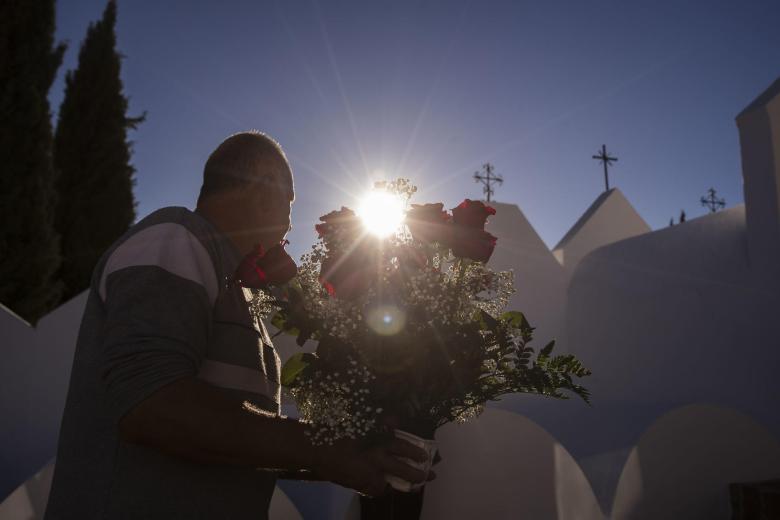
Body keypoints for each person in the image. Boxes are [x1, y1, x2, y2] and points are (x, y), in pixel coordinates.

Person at [44, 131, 431, 519]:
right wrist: (321, 446)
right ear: (264, 188)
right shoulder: (176, 237)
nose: (289, 224)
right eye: (289, 200)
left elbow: (234, 443)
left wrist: (352, 454)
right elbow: (152, 405)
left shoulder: (236, 288)